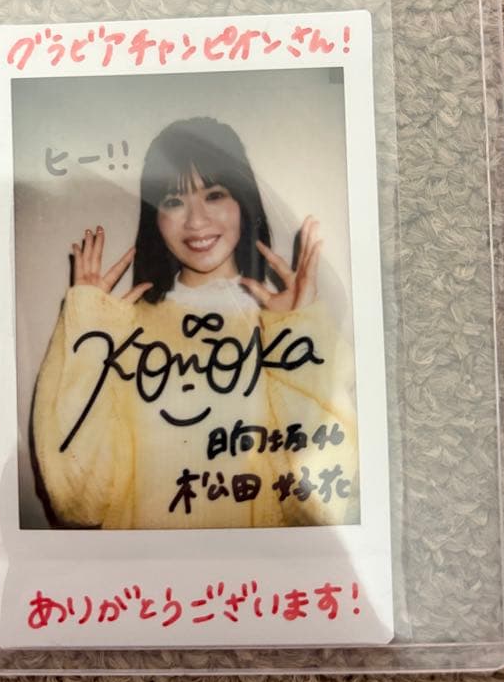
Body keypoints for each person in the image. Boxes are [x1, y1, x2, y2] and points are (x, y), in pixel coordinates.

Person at [31, 117, 358, 530]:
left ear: (243, 201)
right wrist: (88, 333)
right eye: (173, 201)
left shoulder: (285, 327)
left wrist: (297, 332)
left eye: (214, 195)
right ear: (155, 216)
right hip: (145, 569)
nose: (196, 221)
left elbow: (320, 503)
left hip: (257, 570)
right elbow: (78, 499)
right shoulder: (122, 331)